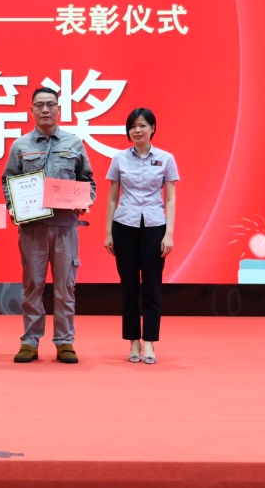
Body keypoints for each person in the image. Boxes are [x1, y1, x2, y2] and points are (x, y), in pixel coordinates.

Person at [2, 87, 95, 364]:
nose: (45, 109)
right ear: (31, 110)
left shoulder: (73, 143)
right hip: (33, 228)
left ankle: (65, 341)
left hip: (65, 227)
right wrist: (12, 205)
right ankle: (30, 341)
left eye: (50, 104)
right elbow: (9, 181)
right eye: (39, 105)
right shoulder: (20, 146)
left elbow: (87, 180)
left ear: (58, 109)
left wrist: (85, 200)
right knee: (32, 285)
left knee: (65, 287)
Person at [104, 108, 178, 366]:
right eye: (133, 126)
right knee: (129, 285)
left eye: (143, 125)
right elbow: (112, 198)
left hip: (155, 226)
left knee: (152, 286)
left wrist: (169, 233)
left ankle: (149, 342)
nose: (137, 130)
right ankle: (133, 340)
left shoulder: (166, 158)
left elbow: (170, 198)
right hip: (124, 224)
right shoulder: (119, 158)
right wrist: (108, 232)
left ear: (152, 128)